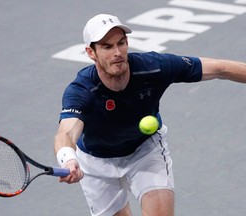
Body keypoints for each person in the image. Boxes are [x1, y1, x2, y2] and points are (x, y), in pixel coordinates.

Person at [53, 14, 246, 216]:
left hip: (144, 151)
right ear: (91, 53)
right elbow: (66, 132)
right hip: (96, 162)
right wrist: (67, 158)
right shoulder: (81, 90)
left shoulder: (153, 67)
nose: (118, 52)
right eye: (107, 47)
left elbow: (220, 69)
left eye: (121, 43)